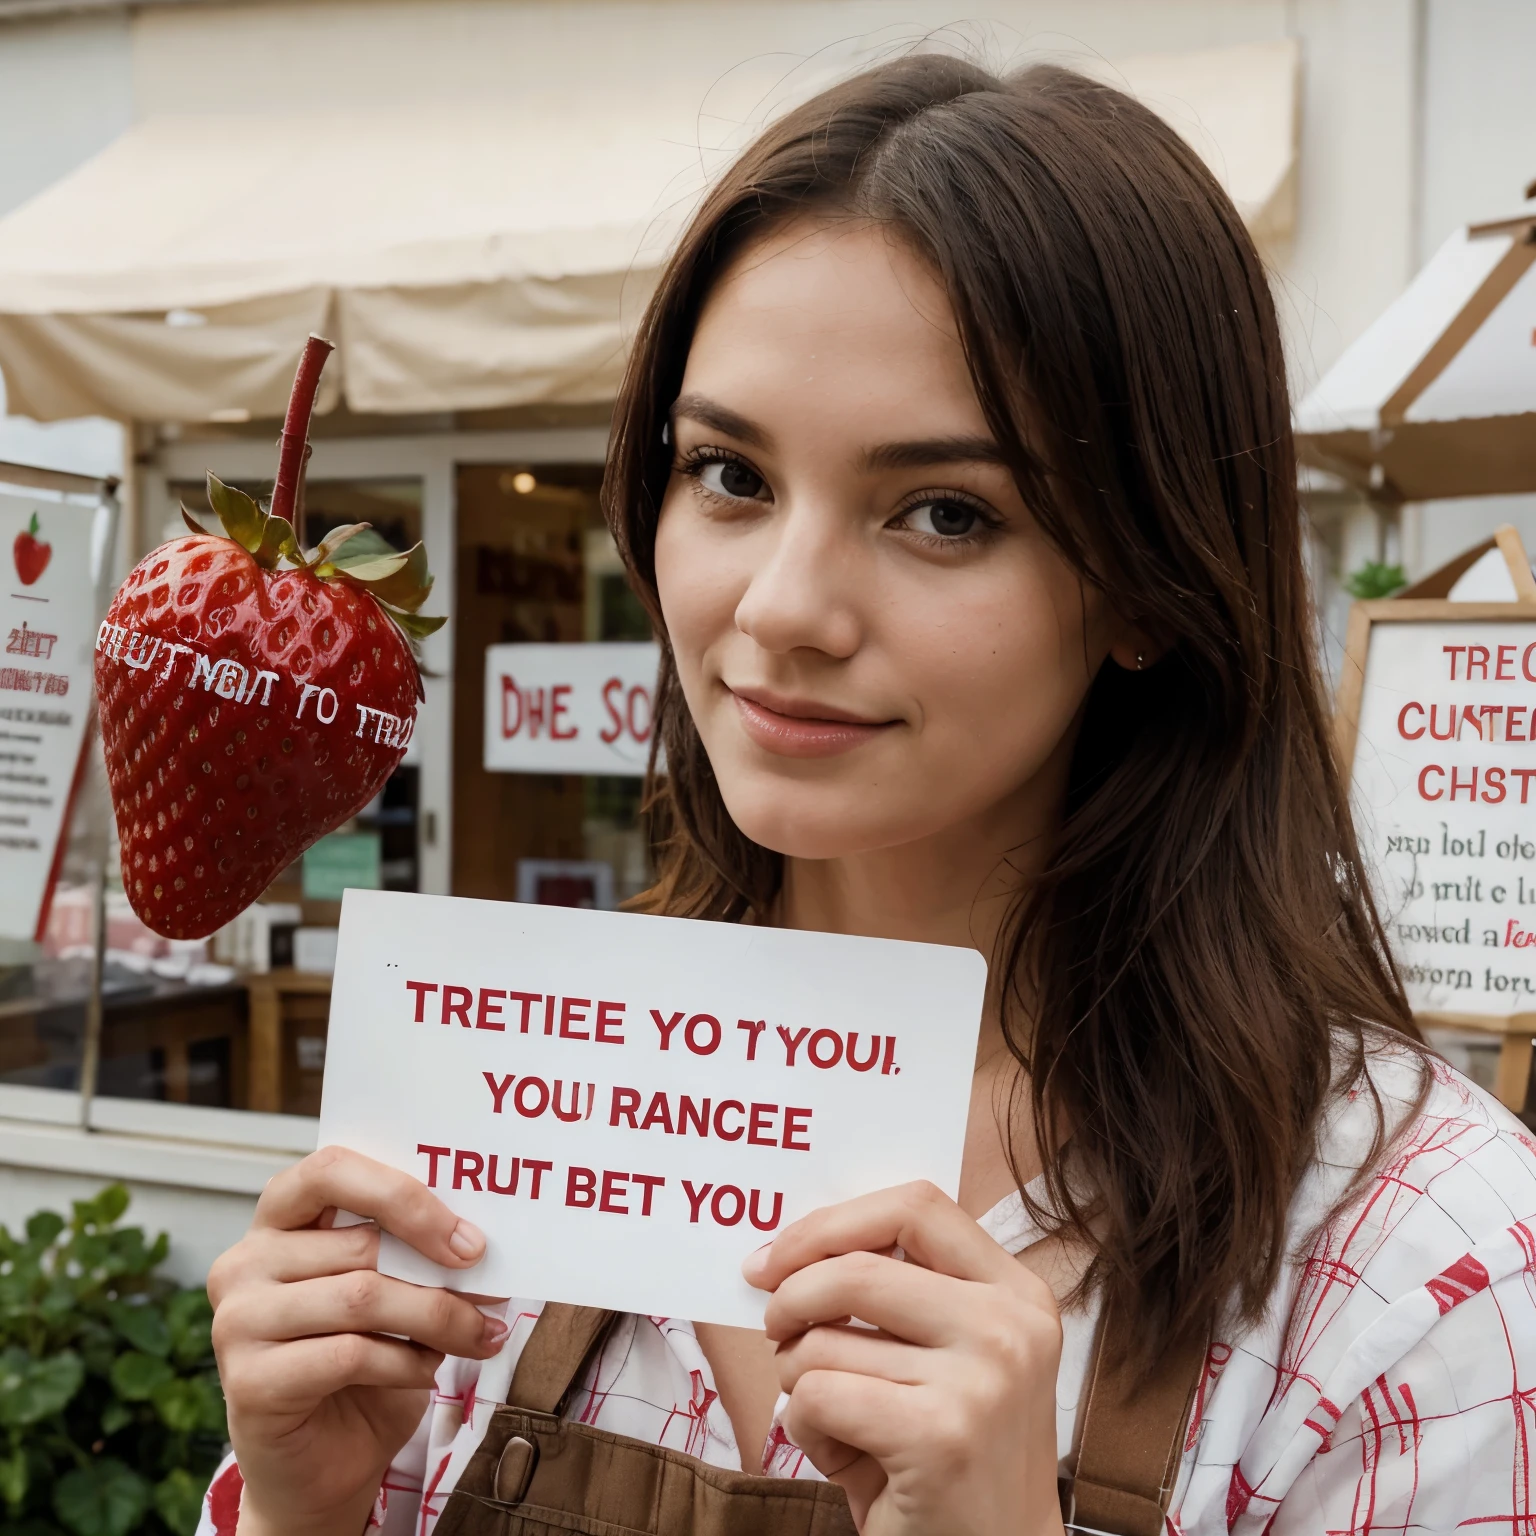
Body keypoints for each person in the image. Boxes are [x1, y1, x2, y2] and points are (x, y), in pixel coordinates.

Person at [199, 53, 1536, 1536]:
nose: (782, 608)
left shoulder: (1422, 1258)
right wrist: (295, 1515)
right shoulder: (506, 1102)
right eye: (729, 474)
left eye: (945, 512)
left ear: (1148, 583)